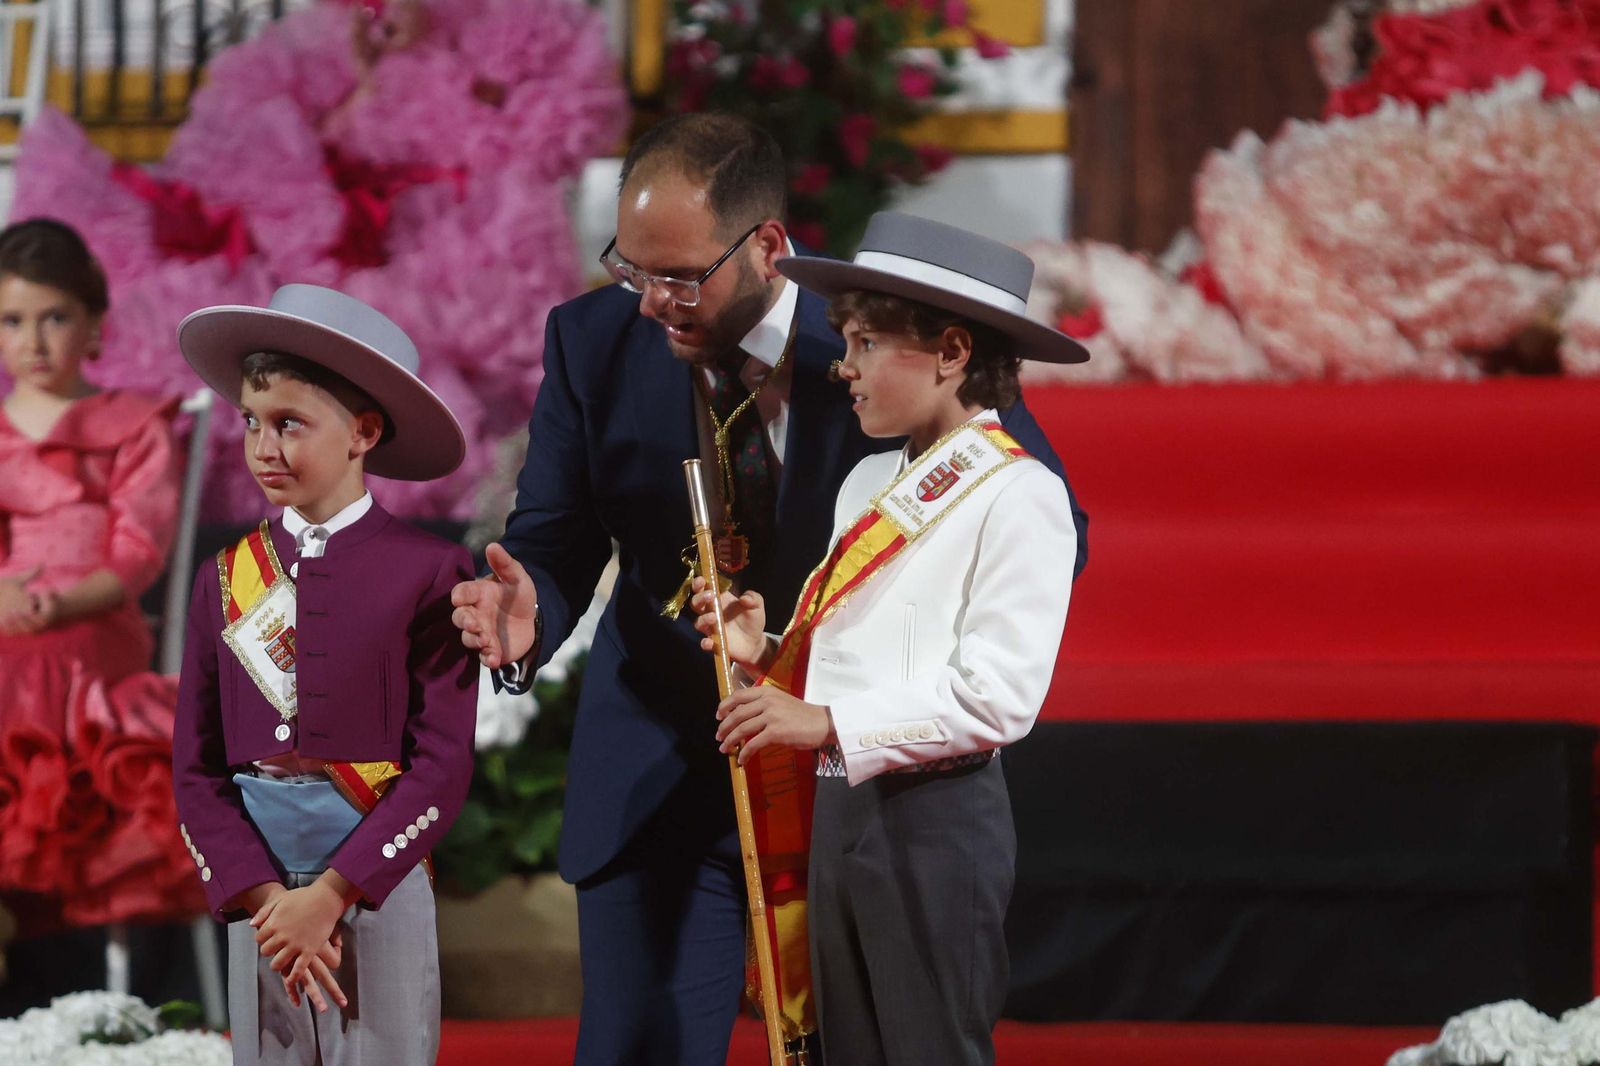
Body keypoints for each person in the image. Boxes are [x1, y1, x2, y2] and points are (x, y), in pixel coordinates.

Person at [449, 113, 1088, 1065]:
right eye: (631, 268)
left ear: (768, 248)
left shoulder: (885, 334)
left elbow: (1029, 512)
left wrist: (843, 682)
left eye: (679, 277)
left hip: (849, 789)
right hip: (660, 751)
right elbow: (553, 536)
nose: (650, 303)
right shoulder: (591, 342)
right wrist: (530, 607)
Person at [693, 211, 1086, 1066]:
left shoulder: (1022, 495)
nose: (845, 367)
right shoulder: (870, 479)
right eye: (847, 341)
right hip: (844, 810)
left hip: (937, 822)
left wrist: (826, 724)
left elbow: (997, 699)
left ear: (951, 353)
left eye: (867, 343)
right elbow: (857, 654)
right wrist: (768, 647)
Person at [171, 284, 477, 1066]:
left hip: (375, 878)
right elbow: (196, 767)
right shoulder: (223, 577)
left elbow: (441, 764)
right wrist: (269, 899)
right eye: (251, 422)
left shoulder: (430, 570)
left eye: (290, 424)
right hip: (259, 896)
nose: (264, 448)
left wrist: (333, 894)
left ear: (363, 432)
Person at [0, 217, 202, 932]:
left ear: (93, 326)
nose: (34, 340)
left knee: (31, 658)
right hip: (8, 615)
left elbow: (138, 552)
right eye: (13, 320)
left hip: (94, 620)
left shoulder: (131, 422)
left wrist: (55, 604)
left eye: (55, 317)